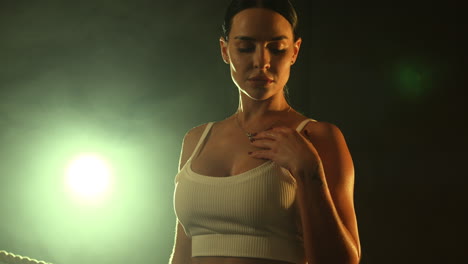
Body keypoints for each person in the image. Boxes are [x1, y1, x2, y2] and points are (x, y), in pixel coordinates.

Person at [170, 0, 361, 263]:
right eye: (246, 47)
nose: (262, 61)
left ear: (294, 52)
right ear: (225, 50)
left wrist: (309, 172)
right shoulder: (197, 139)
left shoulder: (317, 137)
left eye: (277, 49)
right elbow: (182, 255)